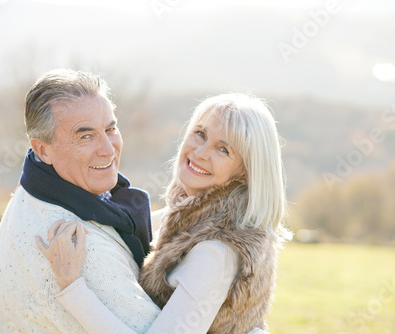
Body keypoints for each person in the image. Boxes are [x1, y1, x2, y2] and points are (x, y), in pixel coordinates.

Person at [37, 93, 292, 333]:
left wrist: (72, 288)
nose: (200, 153)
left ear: (244, 171)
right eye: (200, 134)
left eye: (223, 149)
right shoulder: (187, 217)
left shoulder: (217, 249)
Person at [0, 69, 162, 333]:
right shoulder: (79, 247)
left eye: (110, 129)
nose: (107, 148)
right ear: (42, 149)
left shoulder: (32, 188)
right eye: (85, 136)